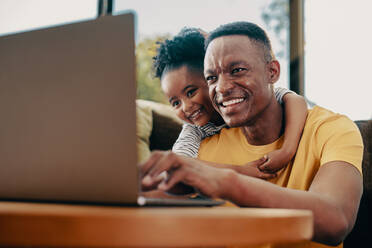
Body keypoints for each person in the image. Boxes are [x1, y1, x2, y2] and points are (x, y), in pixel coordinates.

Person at [141, 22, 363, 248]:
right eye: (212, 78)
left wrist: (228, 181)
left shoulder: (330, 129)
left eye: (237, 70)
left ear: (272, 72)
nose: (223, 87)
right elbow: (157, 192)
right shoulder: (201, 142)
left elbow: (337, 221)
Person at [153, 27, 308, 175]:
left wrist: (287, 150)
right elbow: (178, 164)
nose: (186, 107)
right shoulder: (194, 131)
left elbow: (294, 100)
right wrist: (241, 171)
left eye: (191, 92)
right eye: (175, 103)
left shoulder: (253, 101)